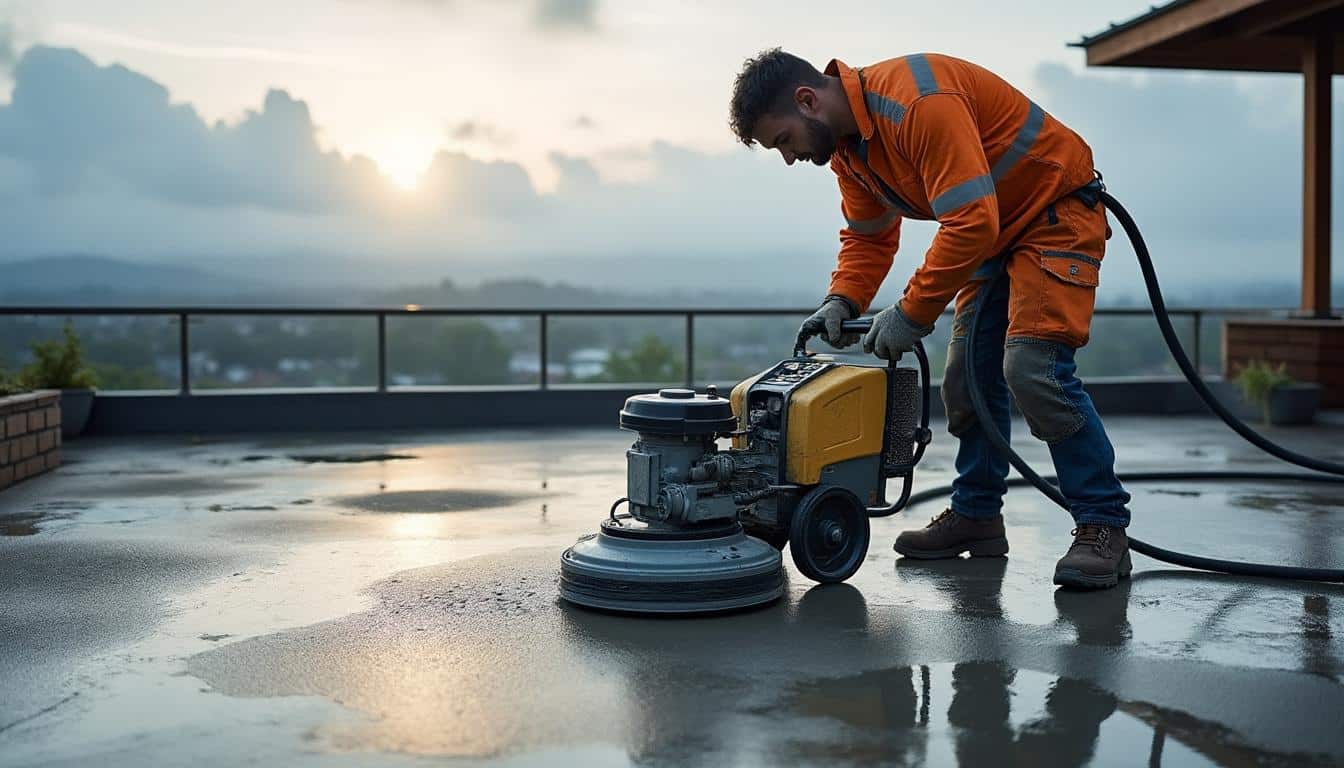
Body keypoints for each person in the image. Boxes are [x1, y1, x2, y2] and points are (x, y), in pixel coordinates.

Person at [729, 49, 1132, 589]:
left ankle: (1103, 526)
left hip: (1053, 214)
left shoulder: (917, 103)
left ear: (808, 101)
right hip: (995, 234)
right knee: (966, 378)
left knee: (1033, 369)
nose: (788, 157)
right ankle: (978, 516)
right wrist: (843, 300)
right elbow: (869, 238)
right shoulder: (851, 153)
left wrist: (911, 312)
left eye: (783, 140)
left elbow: (970, 219)